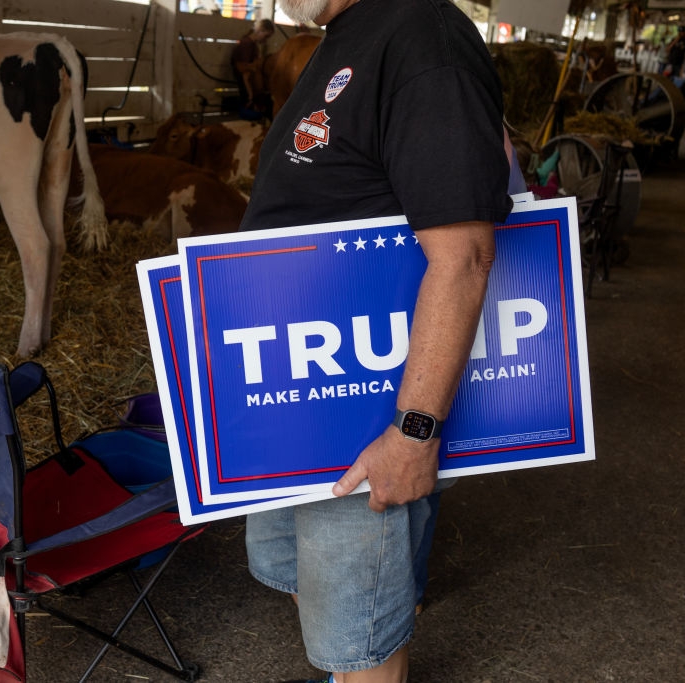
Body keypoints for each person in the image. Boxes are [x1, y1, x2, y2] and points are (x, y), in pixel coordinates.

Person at [237, 1, 514, 682]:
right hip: (297, 392)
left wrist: (414, 432)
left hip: (359, 409)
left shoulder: (424, 37)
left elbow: (465, 257)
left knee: (364, 633)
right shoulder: (347, 35)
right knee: (324, 601)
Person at [231, 18, 275, 117]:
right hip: (247, 88)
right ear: (260, 30)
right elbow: (242, 69)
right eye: (266, 36)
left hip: (249, 86)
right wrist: (250, 94)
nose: (265, 40)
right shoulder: (247, 44)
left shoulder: (251, 45)